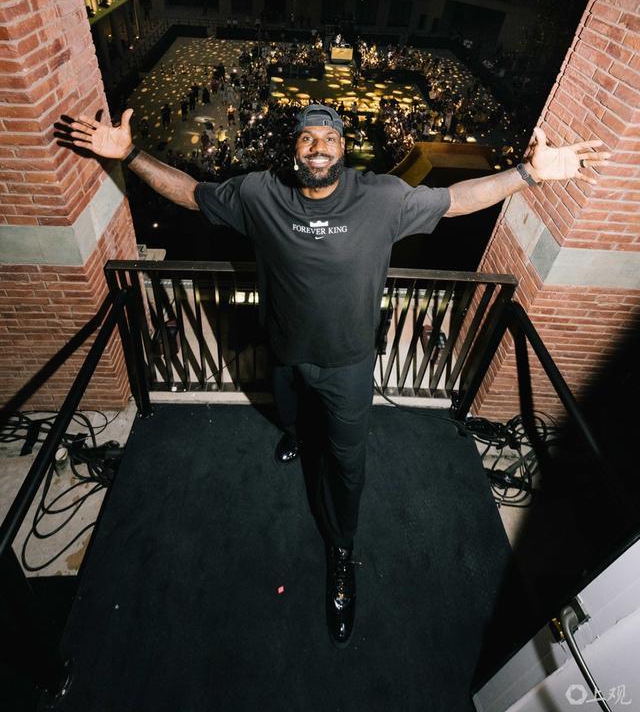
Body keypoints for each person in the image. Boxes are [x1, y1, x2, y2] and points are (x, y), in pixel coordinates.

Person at [63, 103, 609, 648]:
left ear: (343, 149)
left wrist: (528, 174)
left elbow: (456, 200)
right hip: (284, 353)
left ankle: (342, 549)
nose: (318, 146)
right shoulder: (258, 194)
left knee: (347, 466)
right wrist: (130, 155)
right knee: (289, 415)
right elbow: (191, 192)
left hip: (349, 366)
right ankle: (298, 434)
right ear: (294, 149)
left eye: (329, 137)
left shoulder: (382, 197)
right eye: (308, 138)